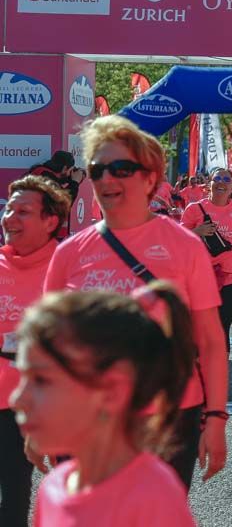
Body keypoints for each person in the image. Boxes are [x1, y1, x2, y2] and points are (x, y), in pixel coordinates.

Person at [43, 115, 228, 488]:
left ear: (150, 177)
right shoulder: (68, 253)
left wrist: (217, 420)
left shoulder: (185, 247)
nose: (107, 178)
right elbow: (49, 346)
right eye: (98, 169)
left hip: (168, 418)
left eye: (122, 168)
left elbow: (210, 342)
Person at [12, 286, 198, 526]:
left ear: (112, 392)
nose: (17, 399)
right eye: (23, 378)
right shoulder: (53, 488)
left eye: (41, 380)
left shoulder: (152, 499)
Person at [0, 176, 68, 526]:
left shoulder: (68, 267)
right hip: (2, 399)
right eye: (8, 209)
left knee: (63, 497)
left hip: (49, 402)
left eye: (23, 211)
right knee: (9, 499)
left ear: (50, 221)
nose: (10, 218)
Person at [181, 167, 232, 352]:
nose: (222, 182)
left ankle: (219, 371)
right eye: (217, 178)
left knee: (223, 325)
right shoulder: (194, 209)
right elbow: (179, 238)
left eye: (226, 179)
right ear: (210, 184)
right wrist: (198, 232)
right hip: (202, 272)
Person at [25, 150, 85, 239]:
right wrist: (74, 182)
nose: (70, 174)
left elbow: (58, 184)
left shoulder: (40, 172)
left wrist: (74, 179)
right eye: (70, 170)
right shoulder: (46, 177)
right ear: (65, 168)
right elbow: (64, 204)